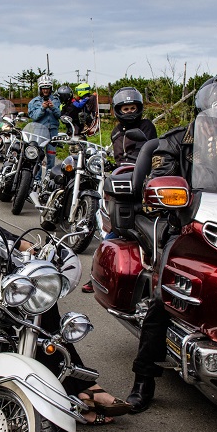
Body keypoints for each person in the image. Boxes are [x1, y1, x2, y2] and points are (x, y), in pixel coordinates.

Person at [0, 86, 130, 424]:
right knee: (37, 294)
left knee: (37, 293)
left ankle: (69, 382)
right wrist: (20, 245)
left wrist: (17, 242)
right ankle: (71, 384)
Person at [122, 74, 217, 413]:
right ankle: (143, 378)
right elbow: (160, 178)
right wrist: (176, 197)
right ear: (203, 109)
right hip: (186, 228)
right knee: (164, 298)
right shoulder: (177, 142)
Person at [81, 86, 157, 294]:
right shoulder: (115, 131)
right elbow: (116, 158)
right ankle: (97, 274)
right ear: (117, 110)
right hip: (120, 182)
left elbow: (153, 152)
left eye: (133, 107)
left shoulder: (147, 127)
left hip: (142, 180)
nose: (130, 112)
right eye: (125, 109)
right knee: (115, 227)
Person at [28, 75, 60, 176]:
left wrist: (53, 107)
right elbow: (34, 117)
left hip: (52, 132)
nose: (45, 90)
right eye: (43, 88)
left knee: (51, 157)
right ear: (40, 89)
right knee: (38, 156)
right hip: (39, 131)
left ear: (51, 88)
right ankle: (36, 180)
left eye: (47, 88)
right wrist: (42, 108)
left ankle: (49, 179)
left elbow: (59, 114)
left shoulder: (56, 100)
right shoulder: (34, 102)